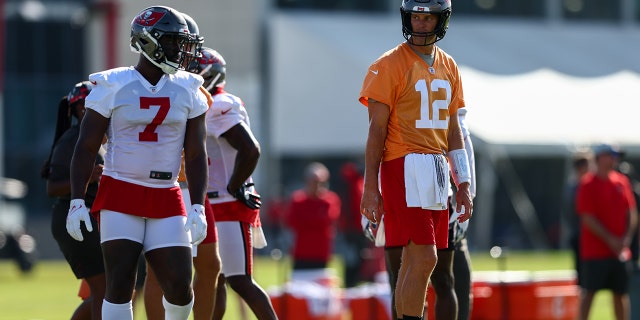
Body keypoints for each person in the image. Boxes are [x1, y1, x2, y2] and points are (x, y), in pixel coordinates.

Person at [66, 6, 210, 319]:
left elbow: (196, 153)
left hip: (166, 193)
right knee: (119, 285)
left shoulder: (188, 88)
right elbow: (86, 146)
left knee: (180, 285)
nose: (179, 50)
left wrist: (197, 204)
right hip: (121, 191)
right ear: (148, 41)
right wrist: (77, 200)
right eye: (173, 42)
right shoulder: (113, 85)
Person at [358, 1, 473, 319]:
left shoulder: (449, 65)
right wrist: (371, 187)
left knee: (417, 260)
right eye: (416, 17)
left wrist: (462, 182)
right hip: (403, 164)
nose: (421, 24)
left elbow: (453, 131)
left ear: (442, 19)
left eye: (428, 18)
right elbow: (375, 131)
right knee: (424, 258)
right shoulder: (389, 64)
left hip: (436, 169)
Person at [142, 12, 222, 320]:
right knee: (159, 270)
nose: (186, 52)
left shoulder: (186, 85)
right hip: (172, 185)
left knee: (210, 266)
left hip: (193, 186)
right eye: (179, 43)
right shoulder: (170, 86)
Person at [189, 46, 277, 320]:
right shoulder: (204, 106)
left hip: (227, 203)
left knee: (240, 279)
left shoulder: (220, 104)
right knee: (214, 278)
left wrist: (235, 186)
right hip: (212, 203)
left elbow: (250, 149)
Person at [42, 81, 106, 319]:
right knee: (105, 290)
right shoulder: (72, 140)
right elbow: (52, 188)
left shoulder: (95, 137)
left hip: (89, 218)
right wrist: (88, 178)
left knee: (110, 290)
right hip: (73, 219)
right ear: (80, 108)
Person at [575, 144, 638, 320]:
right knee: (589, 294)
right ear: (599, 158)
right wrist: (610, 239)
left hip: (620, 251)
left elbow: (631, 212)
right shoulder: (588, 184)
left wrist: (626, 239)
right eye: (609, 155)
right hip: (595, 252)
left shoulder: (622, 182)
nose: (613, 159)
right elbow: (588, 218)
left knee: (620, 294)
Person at [286, 162, 342, 272]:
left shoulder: (330, 200)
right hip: (301, 252)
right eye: (313, 182)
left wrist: (306, 219)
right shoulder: (297, 199)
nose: (317, 186)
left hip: (321, 252)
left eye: (320, 182)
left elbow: (329, 219)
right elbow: (291, 222)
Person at [564, 152, 592, 287]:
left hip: (591, 235)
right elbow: (573, 214)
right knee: (582, 272)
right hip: (580, 234)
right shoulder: (575, 187)